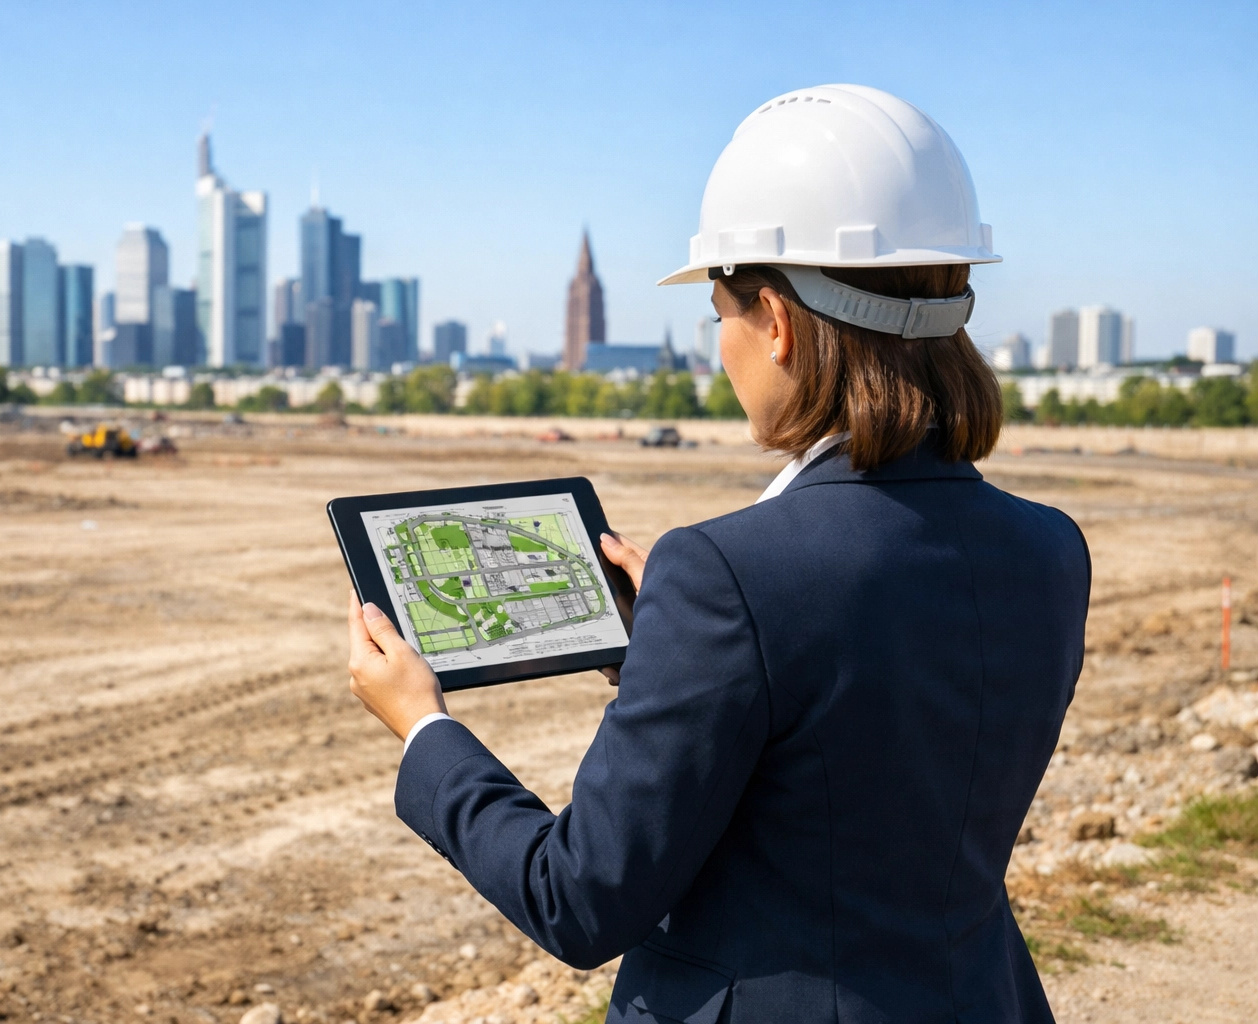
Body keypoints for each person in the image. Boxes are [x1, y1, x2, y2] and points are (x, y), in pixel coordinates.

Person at [346, 84, 1088, 1024]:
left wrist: (425, 730)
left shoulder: (730, 577)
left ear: (776, 322)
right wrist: (705, 659)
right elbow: (859, 765)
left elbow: (577, 899)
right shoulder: (1052, 548)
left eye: (720, 316)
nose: (720, 353)